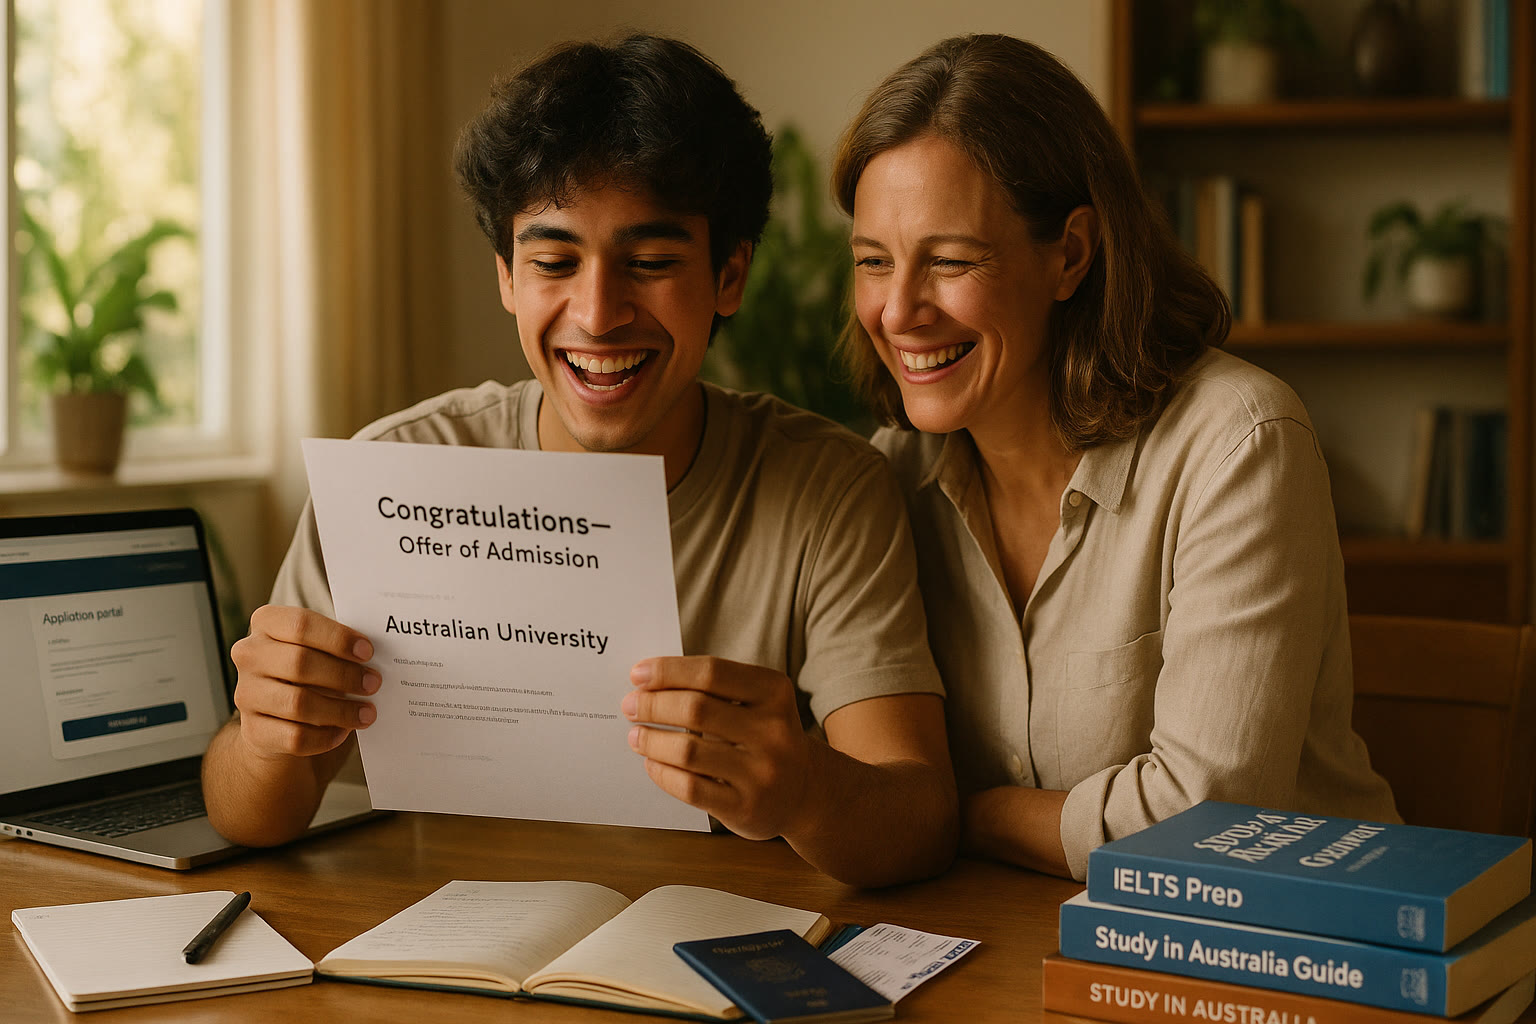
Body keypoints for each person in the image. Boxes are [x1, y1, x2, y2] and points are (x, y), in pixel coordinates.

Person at [202, 34, 958, 888]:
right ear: (507, 278)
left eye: (651, 263)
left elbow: (919, 817)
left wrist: (804, 790)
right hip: (435, 949)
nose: (597, 315)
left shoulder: (828, 488)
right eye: (555, 262)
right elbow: (247, 813)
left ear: (729, 276)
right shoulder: (399, 471)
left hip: (708, 949)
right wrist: (265, 734)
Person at [831, 34, 1398, 883]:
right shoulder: (893, 474)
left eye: (949, 261)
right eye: (874, 262)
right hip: (1021, 944)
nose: (900, 310)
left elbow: (1208, 826)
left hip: (1289, 948)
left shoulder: (1240, 443)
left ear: (1071, 254)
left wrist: (962, 813)